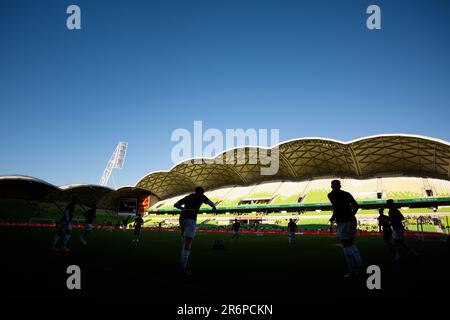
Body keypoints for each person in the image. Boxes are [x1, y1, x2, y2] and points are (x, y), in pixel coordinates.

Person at [174, 186, 217, 275]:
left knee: (185, 240)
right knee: (188, 242)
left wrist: (184, 209)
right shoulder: (201, 196)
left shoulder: (188, 196)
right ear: (201, 192)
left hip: (182, 218)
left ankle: (183, 261)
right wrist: (214, 207)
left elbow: (176, 204)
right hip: (191, 219)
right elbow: (210, 203)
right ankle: (183, 267)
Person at [328, 180, 363, 277]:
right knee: (351, 243)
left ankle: (352, 269)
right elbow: (356, 206)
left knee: (345, 244)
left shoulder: (330, 195)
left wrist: (334, 217)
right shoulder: (346, 194)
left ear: (331, 186)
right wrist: (350, 215)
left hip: (343, 222)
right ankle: (359, 266)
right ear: (340, 185)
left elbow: (336, 208)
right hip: (351, 220)